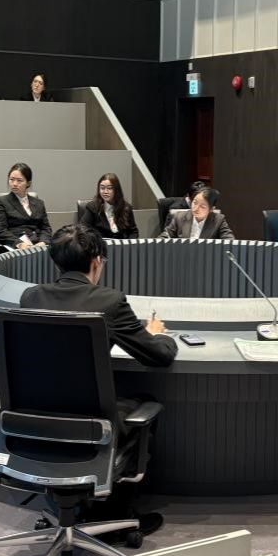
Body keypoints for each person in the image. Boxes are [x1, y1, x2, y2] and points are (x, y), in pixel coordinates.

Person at [20, 224, 176, 535]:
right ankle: (115, 513)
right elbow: (159, 356)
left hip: (33, 422)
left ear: (56, 261)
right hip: (91, 426)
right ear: (97, 262)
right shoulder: (109, 302)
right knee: (144, 404)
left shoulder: (30, 297)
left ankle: (70, 503)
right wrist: (158, 334)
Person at [0, 162, 52, 247]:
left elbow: (46, 228)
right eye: (11, 179)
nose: (14, 184)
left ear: (28, 183)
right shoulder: (1, 202)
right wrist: (19, 244)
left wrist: (43, 242)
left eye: (19, 180)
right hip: (16, 245)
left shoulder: (39, 203)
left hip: (38, 244)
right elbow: (0, 231)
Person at [79, 173, 139, 241]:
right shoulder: (92, 207)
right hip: (101, 245)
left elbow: (133, 232)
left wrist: (128, 244)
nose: (105, 192)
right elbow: (83, 229)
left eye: (109, 188)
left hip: (121, 245)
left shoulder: (126, 207)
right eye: (102, 188)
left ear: (116, 190)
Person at [161, 187, 235, 240]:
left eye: (202, 207)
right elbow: (165, 236)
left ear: (211, 209)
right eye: (195, 203)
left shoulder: (218, 220)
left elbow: (229, 241)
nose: (196, 208)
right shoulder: (179, 217)